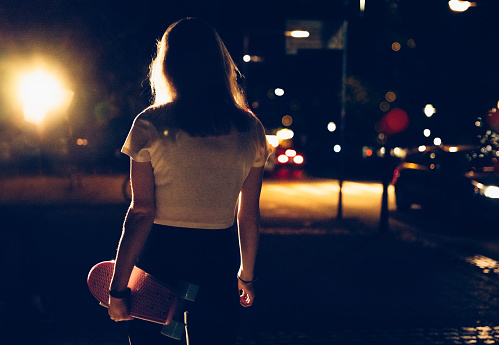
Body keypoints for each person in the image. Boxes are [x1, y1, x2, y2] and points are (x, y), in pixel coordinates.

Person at [107, 17, 270, 345]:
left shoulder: (150, 124)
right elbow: (248, 215)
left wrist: (118, 287)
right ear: (219, 65)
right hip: (218, 262)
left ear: (167, 65)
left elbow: (141, 213)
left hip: (160, 263)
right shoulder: (250, 129)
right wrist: (246, 276)